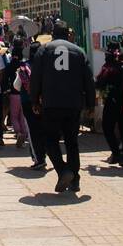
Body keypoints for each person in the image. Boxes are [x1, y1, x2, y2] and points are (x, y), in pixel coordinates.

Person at [29, 19, 95, 193]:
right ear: (68, 34)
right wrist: (91, 104)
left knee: (50, 139)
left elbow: (35, 77)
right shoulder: (79, 52)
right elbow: (88, 80)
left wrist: (34, 100)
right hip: (73, 104)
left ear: (52, 34)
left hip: (51, 103)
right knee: (72, 142)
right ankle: (75, 178)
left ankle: (63, 170)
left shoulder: (44, 50)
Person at [94, 42, 123, 167]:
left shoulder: (108, 68)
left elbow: (100, 83)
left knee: (107, 128)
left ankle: (116, 153)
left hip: (112, 102)